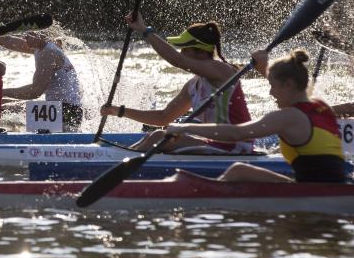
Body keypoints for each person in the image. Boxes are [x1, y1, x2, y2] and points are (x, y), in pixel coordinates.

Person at [141, 50, 346, 183]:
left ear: (289, 85)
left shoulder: (287, 116)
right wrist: (265, 67)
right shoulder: (321, 106)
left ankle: (200, 199)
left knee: (238, 172)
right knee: (240, 171)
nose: (270, 93)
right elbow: (294, 88)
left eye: (273, 86)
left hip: (312, 191)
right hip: (331, 185)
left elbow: (236, 133)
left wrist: (183, 128)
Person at [102, 13, 252, 153]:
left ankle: (117, 162)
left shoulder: (221, 70)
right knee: (155, 135)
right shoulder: (193, 85)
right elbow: (163, 117)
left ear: (199, 50)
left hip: (236, 146)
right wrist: (119, 111)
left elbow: (177, 61)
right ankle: (117, 158)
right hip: (217, 144)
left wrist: (143, 29)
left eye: (184, 49)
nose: (181, 53)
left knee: (158, 138)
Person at [0, 11, 84, 131]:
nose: (24, 37)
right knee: (1, 102)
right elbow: (5, 40)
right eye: (25, 34)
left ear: (42, 35)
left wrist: (0, 91)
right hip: (63, 109)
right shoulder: (42, 45)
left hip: (67, 114)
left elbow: (35, 92)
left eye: (29, 34)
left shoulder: (48, 53)